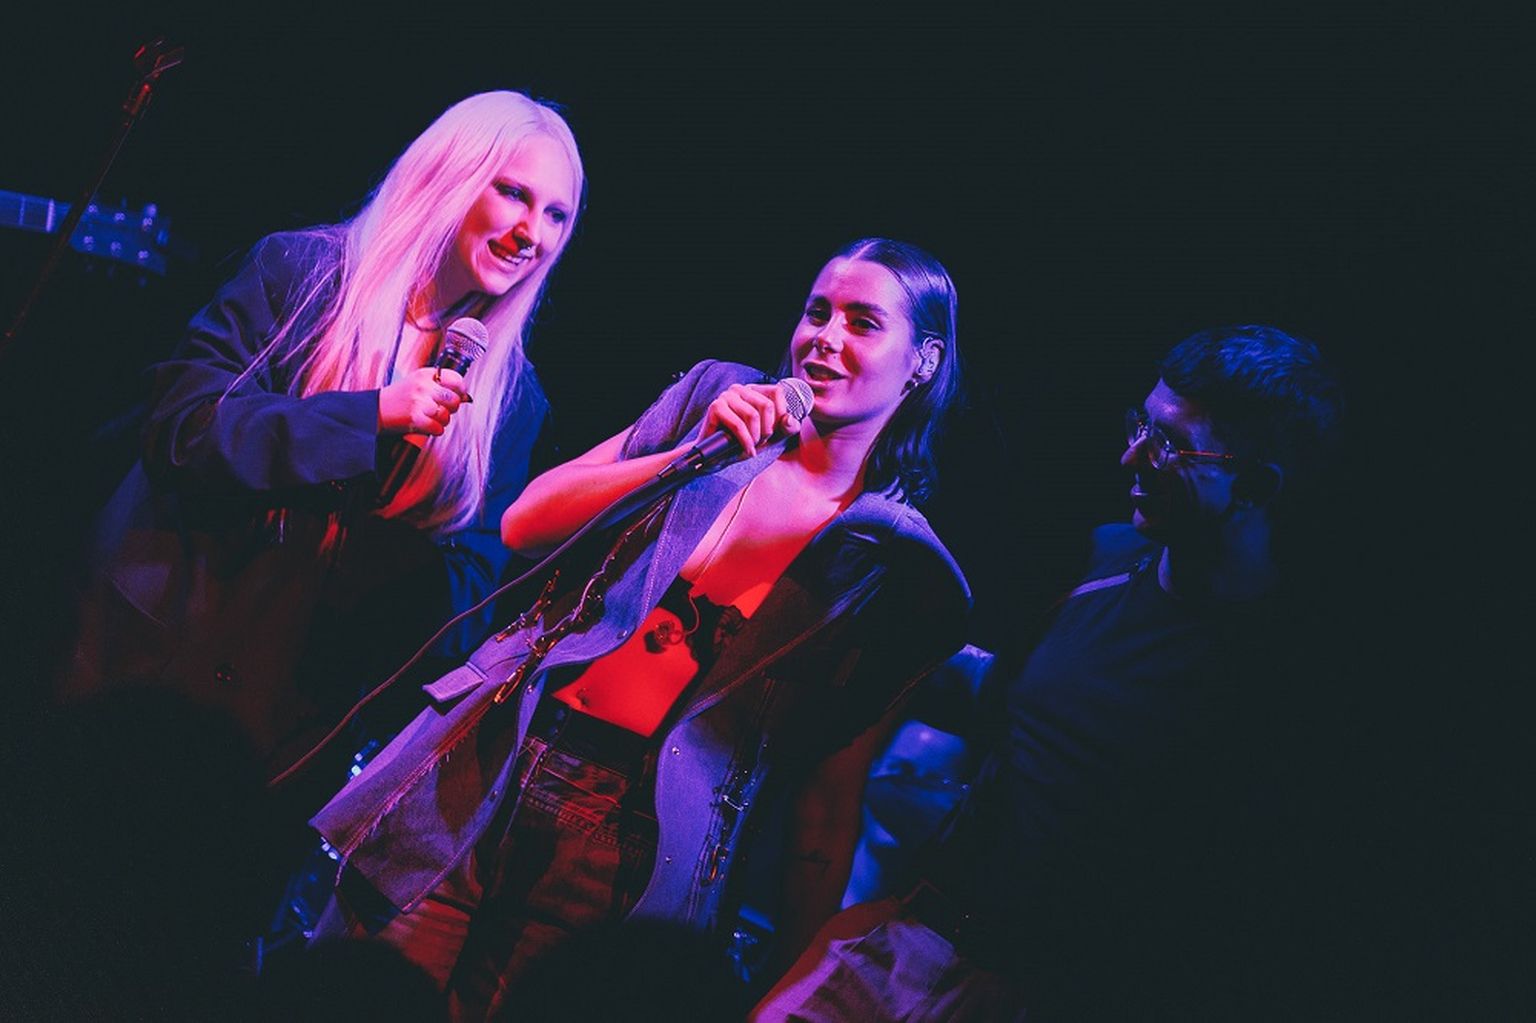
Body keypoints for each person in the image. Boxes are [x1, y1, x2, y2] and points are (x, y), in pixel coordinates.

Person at [307, 238, 972, 1021]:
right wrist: (692, 455)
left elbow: (828, 792)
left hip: (628, 841)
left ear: (923, 362)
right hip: (498, 751)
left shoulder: (890, 561)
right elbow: (525, 521)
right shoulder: (717, 402)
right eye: (817, 312)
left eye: (862, 322)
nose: (824, 337)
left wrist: (786, 980)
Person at [752, 324, 1346, 1022]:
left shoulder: (1280, 681)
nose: (1132, 455)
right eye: (1141, 425)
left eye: (1169, 444)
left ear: (1255, 485)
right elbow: (1019, 698)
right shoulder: (1105, 559)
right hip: (909, 943)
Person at [57, 91, 585, 778]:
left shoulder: (512, 397)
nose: (532, 232)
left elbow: (468, 595)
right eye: (514, 193)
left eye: (556, 214)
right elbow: (184, 429)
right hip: (141, 660)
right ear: (451, 174)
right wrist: (370, 416)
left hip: (282, 730)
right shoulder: (301, 274)